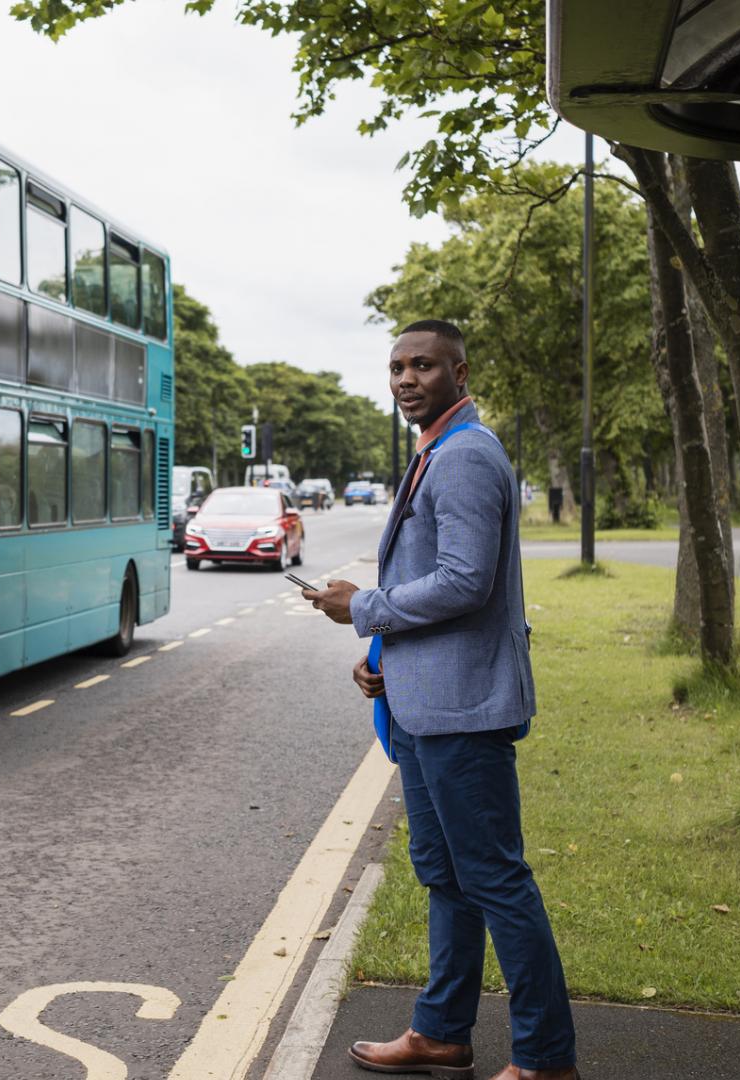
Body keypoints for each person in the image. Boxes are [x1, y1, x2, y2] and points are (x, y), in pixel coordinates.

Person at [304, 320, 578, 1080]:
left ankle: (548, 1061)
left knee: (495, 879)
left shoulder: (463, 457)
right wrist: (383, 655)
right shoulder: (434, 452)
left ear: (459, 371)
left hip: (464, 713)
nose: (404, 379)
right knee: (447, 876)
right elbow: (438, 587)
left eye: (422, 365)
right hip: (427, 703)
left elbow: (465, 582)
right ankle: (442, 1032)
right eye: (395, 367)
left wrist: (364, 608)